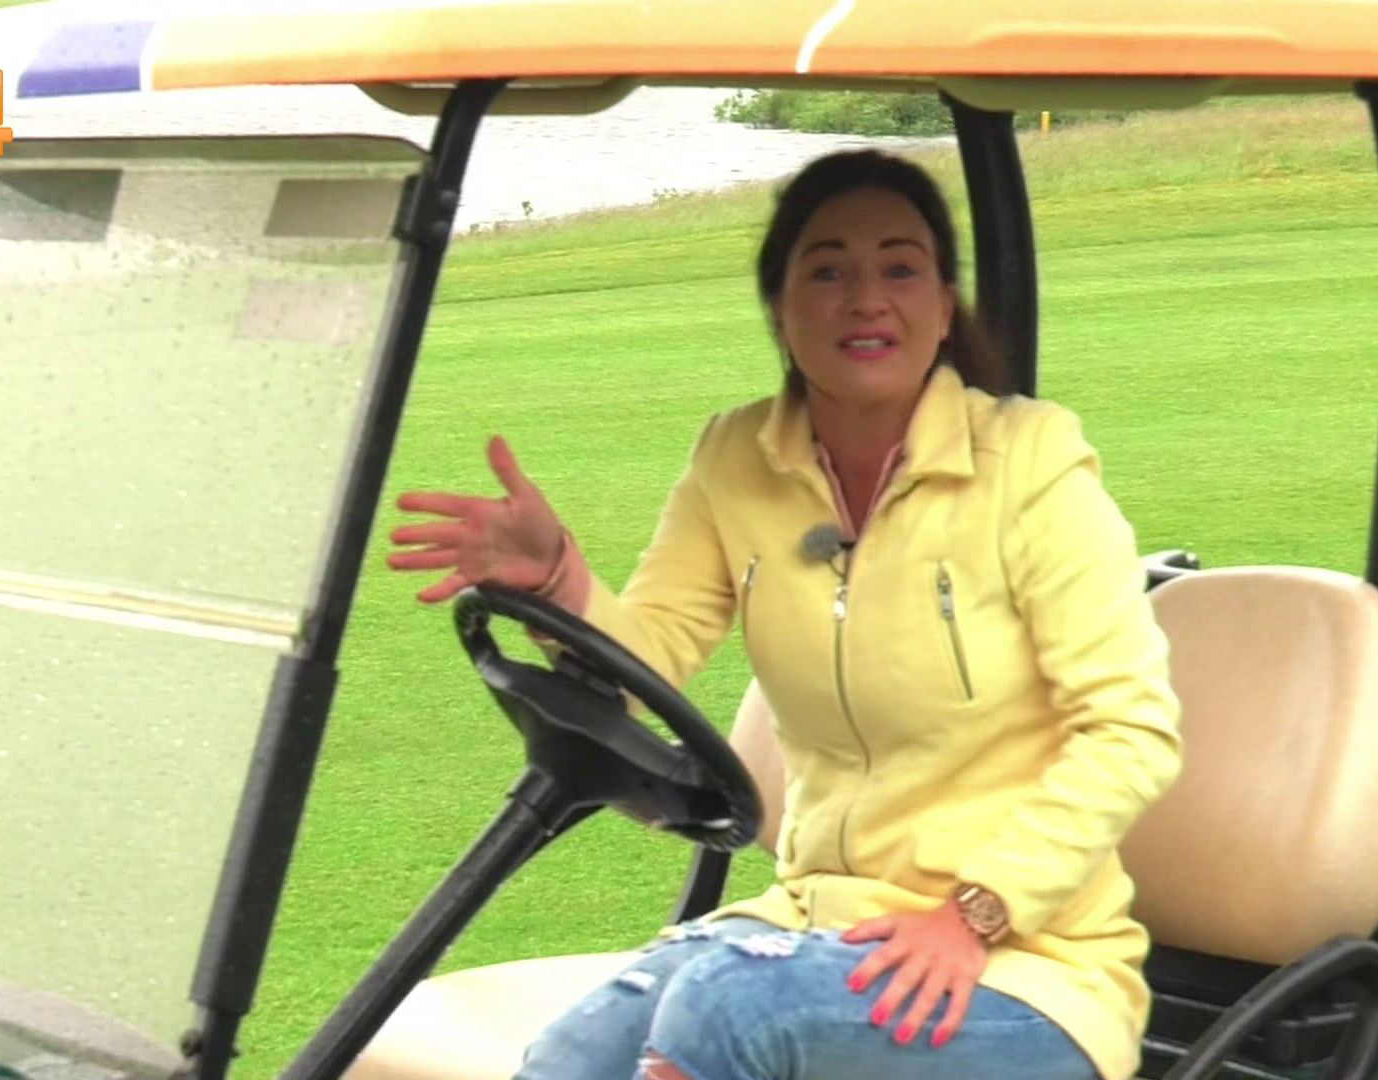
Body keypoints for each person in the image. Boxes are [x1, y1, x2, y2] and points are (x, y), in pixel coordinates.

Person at [386, 150, 1182, 1080]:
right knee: (578, 1051)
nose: (867, 299)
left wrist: (974, 912)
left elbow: (1130, 731)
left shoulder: (1031, 465)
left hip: (1027, 964)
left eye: (900, 269)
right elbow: (649, 655)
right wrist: (559, 579)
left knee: (727, 1009)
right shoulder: (736, 462)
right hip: (818, 920)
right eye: (828, 271)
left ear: (941, 307)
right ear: (780, 308)